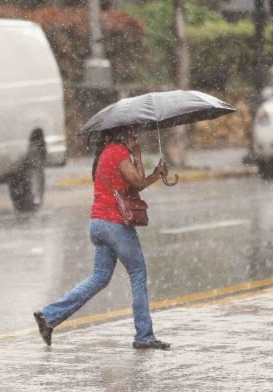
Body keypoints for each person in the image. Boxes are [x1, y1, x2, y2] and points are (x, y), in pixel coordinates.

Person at [33, 127, 171, 349]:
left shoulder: (106, 153)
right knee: (137, 274)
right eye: (132, 133)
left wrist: (155, 175)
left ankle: (49, 316)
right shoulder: (119, 153)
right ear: (122, 134)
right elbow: (137, 182)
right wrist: (137, 154)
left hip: (98, 225)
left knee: (99, 277)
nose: (134, 136)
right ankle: (144, 335)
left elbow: (135, 185)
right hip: (114, 224)